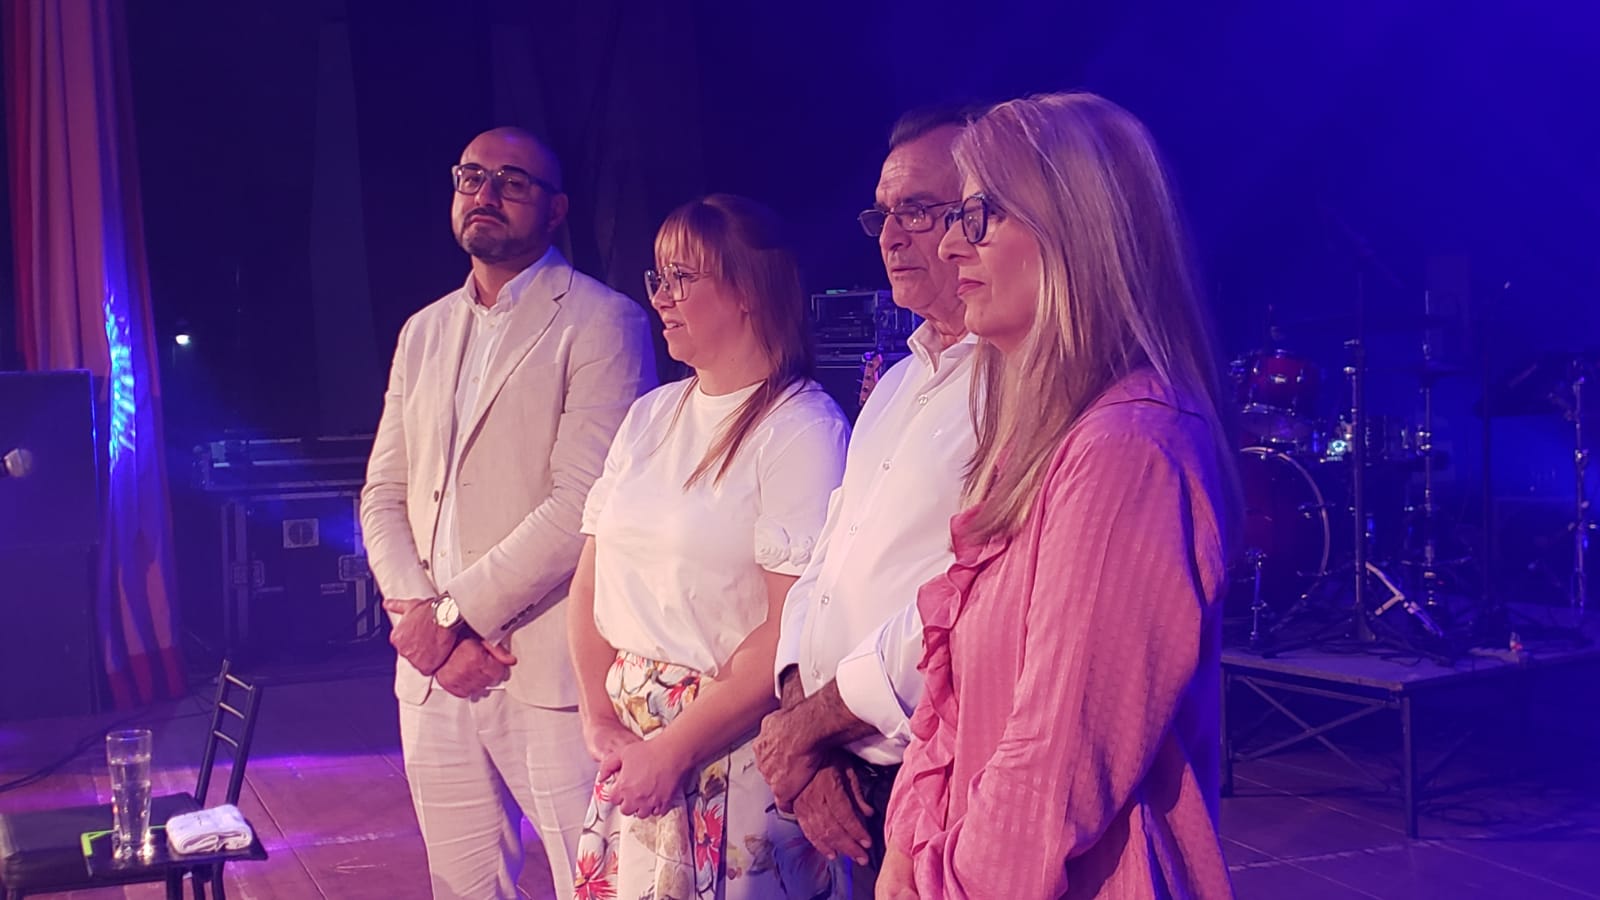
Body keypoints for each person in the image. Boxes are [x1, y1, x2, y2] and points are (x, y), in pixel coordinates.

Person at [878, 92, 1242, 899]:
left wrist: (939, 882)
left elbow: (1050, 776)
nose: (949, 243)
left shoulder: (1128, 450)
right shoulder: (1039, 440)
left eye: (980, 216)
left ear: (1076, 228)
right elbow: (952, 702)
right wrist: (908, 842)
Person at [360, 126, 656, 900]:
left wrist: (451, 618)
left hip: (546, 669)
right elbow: (383, 492)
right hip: (433, 677)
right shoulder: (422, 331)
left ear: (556, 209)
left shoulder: (603, 321)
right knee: (462, 889)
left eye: (512, 181)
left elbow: (581, 504)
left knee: (595, 884)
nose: (485, 194)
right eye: (471, 177)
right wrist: (424, 626)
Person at [567, 194, 850, 899]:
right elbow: (590, 581)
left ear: (748, 289)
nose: (662, 296)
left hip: (731, 750)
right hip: (634, 754)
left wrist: (673, 748)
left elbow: (788, 628)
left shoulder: (800, 427)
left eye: (682, 277)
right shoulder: (650, 415)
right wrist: (600, 721)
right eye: (657, 278)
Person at [751, 107, 979, 899]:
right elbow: (825, 565)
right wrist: (802, 725)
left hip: (934, 775)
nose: (890, 236)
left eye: (917, 210)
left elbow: (967, 604)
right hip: (843, 764)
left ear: (982, 213)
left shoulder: (1021, 387)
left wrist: (811, 726)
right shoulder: (899, 381)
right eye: (882, 215)